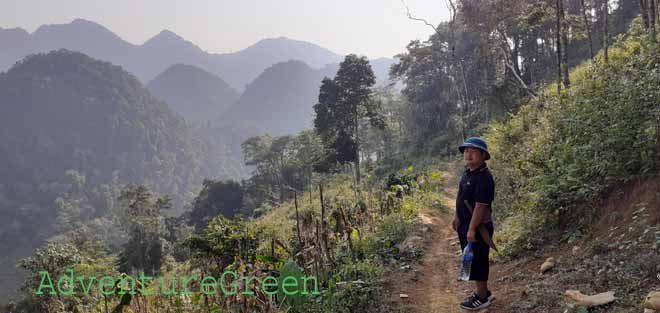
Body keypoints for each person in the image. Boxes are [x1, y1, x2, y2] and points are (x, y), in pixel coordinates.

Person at [452, 137, 496, 311]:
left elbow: (480, 205)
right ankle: (484, 291)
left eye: (473, 151)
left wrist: (471, 228)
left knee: (478, 261)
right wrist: (457, 216)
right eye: (466, 151)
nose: (468, 154)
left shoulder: (484, 178)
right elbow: (461, 197)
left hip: (478, 228)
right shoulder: (468, 173)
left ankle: (482, 297)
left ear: (483, 155)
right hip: (466, 225)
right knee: (473, 259)